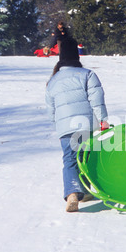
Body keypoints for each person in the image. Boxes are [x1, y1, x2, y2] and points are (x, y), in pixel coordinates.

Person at [45, 37, 109, 212]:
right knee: (89, 157)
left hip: (65, 128)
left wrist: (58, 125)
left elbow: (51, 109)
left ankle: (73, 192)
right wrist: (103, 120)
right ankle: (87, 188)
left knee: (70, 159)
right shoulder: (87, 74)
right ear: (77, 56)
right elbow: (97, 101)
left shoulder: (53, 80)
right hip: (87, 125)